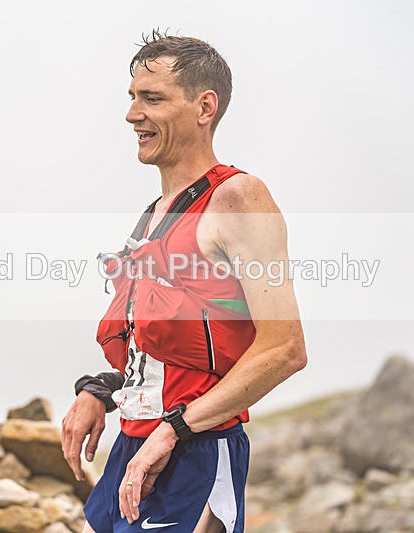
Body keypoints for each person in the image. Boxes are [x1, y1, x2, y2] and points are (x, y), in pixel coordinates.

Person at [61, 30, 307, 533]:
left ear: (204, 107)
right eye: (132, 98)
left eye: (152, 99)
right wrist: (102, 389)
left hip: (195, 451)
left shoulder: (239, 197)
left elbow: (285, 349)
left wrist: (175, 430)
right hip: (134, 446)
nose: (133, 115)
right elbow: (165, 354)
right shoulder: (153, 215)